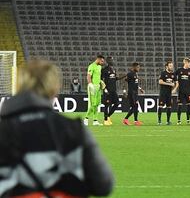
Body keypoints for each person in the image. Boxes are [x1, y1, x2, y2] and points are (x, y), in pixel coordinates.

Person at [0, 60, 114, 197]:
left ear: (19, 86)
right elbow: (103, 185)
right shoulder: (74, 129)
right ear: (54, 89)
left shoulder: (4, 130)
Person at [84, 54, 105, 126]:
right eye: (102, 61)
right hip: (92, 87)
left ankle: (95, 120)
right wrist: (90, 84)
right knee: (92, 104)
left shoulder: (99, 67)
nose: (102, 63)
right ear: (98, 59)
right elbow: (88, 76)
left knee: (96, 104)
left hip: (98, 87)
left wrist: (101, 81)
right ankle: (86, 119)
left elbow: (97, 77)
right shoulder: (91, 66)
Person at [175, 58, 190, 125]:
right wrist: (176, 85)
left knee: (189, 105)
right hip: (181, 91)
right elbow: (174, 77)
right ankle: (178, 120)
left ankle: (188, 120)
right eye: (189, 63)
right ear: (185, 63)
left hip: (188, 91)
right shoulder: (179, 70)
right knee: (180, 105)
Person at [157, 61, 177, 125]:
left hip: (169, 94)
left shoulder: (173, 74)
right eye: (170, 66)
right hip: (163, 93)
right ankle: (159, 121)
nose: (171, 67)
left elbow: (177, 83)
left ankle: (168, 121)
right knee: (160, 106)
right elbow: (160, 82)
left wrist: (175, 89)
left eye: (172, 66)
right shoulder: (163, 73)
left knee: (169, 107)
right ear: (167, 66)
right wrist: (169, 84)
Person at [100, 59, 119, 126]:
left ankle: (108, 116)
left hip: (113, 90)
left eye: (113, 60)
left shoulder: (113, 70)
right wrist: (104, 89)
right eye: (111, 60)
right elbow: (101, 80)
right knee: (106, 105)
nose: (113, 61)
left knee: (117, 103)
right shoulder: (104, 70)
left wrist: (123, 77)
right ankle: (105, 120)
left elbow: (115, 79)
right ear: (108, 61)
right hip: (107, 90)